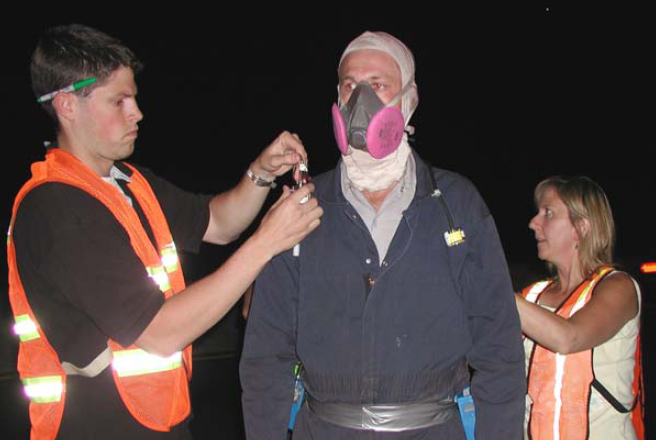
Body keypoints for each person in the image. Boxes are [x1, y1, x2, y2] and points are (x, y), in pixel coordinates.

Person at [7, 24, 323, 439]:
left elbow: (220, 223)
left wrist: (260, 173)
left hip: (162, 422)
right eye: (118, 101)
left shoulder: (130, 184)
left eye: (134, 97)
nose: (137, 112)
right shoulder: (58, 209)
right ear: (67, 105)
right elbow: (160, 332)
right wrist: (267, 242)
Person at [240, 31, 525, 439]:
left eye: (378, 85)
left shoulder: (456, 204)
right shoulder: (301, 209)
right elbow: (267, 354)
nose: (362, 101)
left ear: (408, 101)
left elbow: (499, 348)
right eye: (350, 86)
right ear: (337, 101)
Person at [516, 176, 644, 440]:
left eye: (548, 213)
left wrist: (492, 291)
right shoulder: (533, 296)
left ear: (581, 227)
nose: (533, 223)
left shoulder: (618, 287)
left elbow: (568, 337)